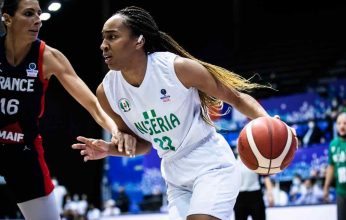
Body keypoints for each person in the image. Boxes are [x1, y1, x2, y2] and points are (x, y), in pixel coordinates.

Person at [71, 5, 296, 220]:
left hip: (211, 165)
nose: (103, 45)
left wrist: (267, 121)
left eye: (112, 37)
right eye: (103, 38)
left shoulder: (176, 69)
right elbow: (142, 144)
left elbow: (236, 97)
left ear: (139, 40)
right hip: (175, 177)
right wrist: (110, 149)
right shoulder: (107, 92)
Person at [0, 0, 128, 219]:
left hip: (23, 151)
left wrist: (114, 130)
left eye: (39, 13)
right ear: (7, 18)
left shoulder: (49, 57)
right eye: (29, 14)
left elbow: (92, 104)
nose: (37, 20)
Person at [233, 149, 274, 220]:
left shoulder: (256, 161)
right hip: (240, 197)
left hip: (255, 196)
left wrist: (270, 194)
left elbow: (266, 177)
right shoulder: (234, 163)